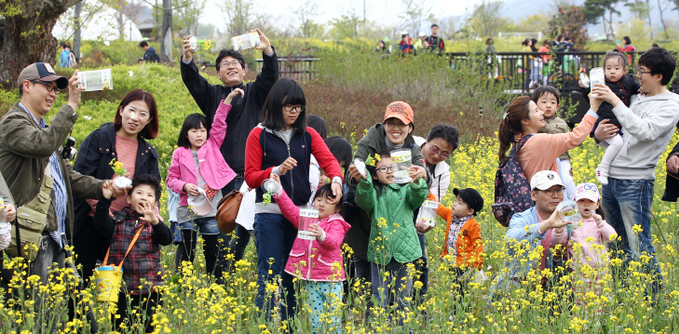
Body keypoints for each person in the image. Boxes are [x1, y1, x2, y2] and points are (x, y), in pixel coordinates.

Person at [0, 63, 122, 332]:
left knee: (77, 315)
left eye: (56, 89)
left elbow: (67, 176)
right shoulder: (13, 123)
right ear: (27, 86)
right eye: (47, 86)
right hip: (31, 238)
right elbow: (42, 144)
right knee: (39, 316)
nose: (53, 93)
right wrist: (72, 105)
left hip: (55, 236)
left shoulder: (44, 129)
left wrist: (103, 187)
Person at [244, 78, 343, 323]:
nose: (294, 112)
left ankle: (288, 325)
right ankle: (265, 325)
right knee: (269, 273)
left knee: (292, 274)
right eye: (289, 106)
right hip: (269, 212)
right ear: (277, 104)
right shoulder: (258, 135)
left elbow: (329, 161)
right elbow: (250, 176)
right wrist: (276, 170)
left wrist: (337, 180)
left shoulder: (307, 134)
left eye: (298, 107)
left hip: (300, 214)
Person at [181, 29, 278, 272]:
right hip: (220, 178)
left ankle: (250, 275)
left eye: (236, 63)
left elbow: (270, 77)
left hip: (252, 176)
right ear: (218, 73)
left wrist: (267, 50)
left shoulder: (255, 92)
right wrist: (187, 58)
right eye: (225, 65)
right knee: (224, 229)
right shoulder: (212, 94)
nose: (231, 67)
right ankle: (222, 276)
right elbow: (193, 81)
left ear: (245, 69)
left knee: (251, 228)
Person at [591, 47, 679, 297]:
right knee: (615, 245)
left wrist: (615, 100)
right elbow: (620, 132)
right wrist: (597, 137)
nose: (637, 76)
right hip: (612, 180)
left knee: (640, 246)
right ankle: (623, 297)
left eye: (642, 71)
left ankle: (655, 301)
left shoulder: (671, 105)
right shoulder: (638, 97)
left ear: (659, 76)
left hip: (635, 182)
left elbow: (644, 131)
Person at [72, 89, 161, 282]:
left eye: (142, 114)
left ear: (149, 120)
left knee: (118, 287)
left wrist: (153, 216)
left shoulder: (148, 152)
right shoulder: (99, 138)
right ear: (121, 110)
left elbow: (153, 191)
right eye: (131, 110)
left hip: (123, 228)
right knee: (80, 282)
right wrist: (98, 206)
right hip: (88, 221)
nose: (135, 117)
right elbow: (79, 176)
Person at [166, 89, 242, 280]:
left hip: (211, 208)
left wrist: (228, 100)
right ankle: (184, 285)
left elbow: (218, 123)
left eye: (202, 130)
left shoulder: (213, 145)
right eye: (194, 131)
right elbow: (170, 180)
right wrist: (184, 186)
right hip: (188, 207)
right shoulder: (179, 153)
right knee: (186, 251)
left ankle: (214, 284)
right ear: (186, 134)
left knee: (212, 251)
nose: (199, 135)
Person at [352, 152, 428, 324]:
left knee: (404, 296)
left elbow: (419, 196)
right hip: (380, 252)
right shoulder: (373, 194)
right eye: (383, 168)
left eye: (393, 167)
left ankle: (402, 327)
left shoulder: (407, 189)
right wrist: (364, 180)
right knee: (379, 296)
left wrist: (417, 181)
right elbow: (363, 199)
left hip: (406, 252)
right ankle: (378, 326)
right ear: (374, 174)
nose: (389, 171)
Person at [270, 174, 350, 334]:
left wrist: (321, 235)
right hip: (310, 280)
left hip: (330, 280)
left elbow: (334, 242)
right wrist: (278, 190)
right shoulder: (308, 218)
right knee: (315, 322)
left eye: (328, 200)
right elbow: (290, 210)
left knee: (332, 322)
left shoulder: (337, 223)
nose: (321, 203)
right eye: (318, 199)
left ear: (338, 207)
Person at [93, 174, 172, 333]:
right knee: (121, 327)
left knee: (150, 328)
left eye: (149, 195)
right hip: (122, 290)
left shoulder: (155, 224)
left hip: (150, 289)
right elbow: (100, 224)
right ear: (129, 199)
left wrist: (155, 221)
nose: (144, 197)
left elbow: (166, 239)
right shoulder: (118, 220)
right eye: (139, 193)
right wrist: (105, 199)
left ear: (155, 203)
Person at [497, 95, 599, 185]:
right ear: (525, 121)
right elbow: (575, 137)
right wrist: (593, 108)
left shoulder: (519, 141)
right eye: (536, 110)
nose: (542, 112)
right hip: (544, 203)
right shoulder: (540, 141)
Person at [551, 183, 616, 315]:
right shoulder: (572, 223)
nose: (586, 205)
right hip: (580, 272)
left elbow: (612, 237)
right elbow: (560, 241)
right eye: (582, 201)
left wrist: (601, 222)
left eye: (590, 201)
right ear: (575, 203)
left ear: (597, 205)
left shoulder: (599, 223)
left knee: (601, 304)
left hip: (601, 271)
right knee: (582, 305)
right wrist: (559, 229)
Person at [412, 124, 459, 300]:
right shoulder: (409, 147)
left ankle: (419, 302)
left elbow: (432, 203)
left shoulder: (443, 171)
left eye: (445, 154)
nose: (437, 156)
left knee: (420, 260)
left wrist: (426, 223)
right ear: (427, 140)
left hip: (417, 213)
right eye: (435, 149)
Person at [579, 52, 640, 185]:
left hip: (620, 122)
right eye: (608, 68)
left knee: (616, 145)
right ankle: (603, 168)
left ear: (624, 70)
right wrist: (584, 87)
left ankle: (610, 168)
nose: (612, 72)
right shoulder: (601, 82)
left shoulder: (628, 82)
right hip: (604, 121)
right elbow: (591, 96)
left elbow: (638, 88)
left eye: (617, 68)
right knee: (617, 143)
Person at [503, 171, 570, 283]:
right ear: (533, 195)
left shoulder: (568, 220)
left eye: (559, 191)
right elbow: (510, 240)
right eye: (549, 191)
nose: (555, 196)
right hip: (520, 287)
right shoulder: (522, 219)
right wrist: (545, 225)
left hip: (553, 289)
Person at [430, 187, 484, 299]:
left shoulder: (473, 225)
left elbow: (477, 245)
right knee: (452, 285)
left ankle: (458, 311)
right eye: (455, 200)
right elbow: (438, 207)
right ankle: (454, 307)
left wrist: (477, 263)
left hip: (464, 264)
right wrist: (426, 193)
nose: (454, 204)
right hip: (451, 260)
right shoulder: (450, 215)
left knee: (460, 289)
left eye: (459, 203)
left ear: (470, 211)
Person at [532, 86, 576, 200]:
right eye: (544, 102)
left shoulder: (561, 123)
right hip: (543, 160)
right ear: (535, 105)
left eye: (552, 102)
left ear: (557, 107)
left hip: (561, 158)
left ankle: (573, 202)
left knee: (566, 180)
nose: (548, 105)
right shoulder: (534, 122)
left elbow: (571, 139)